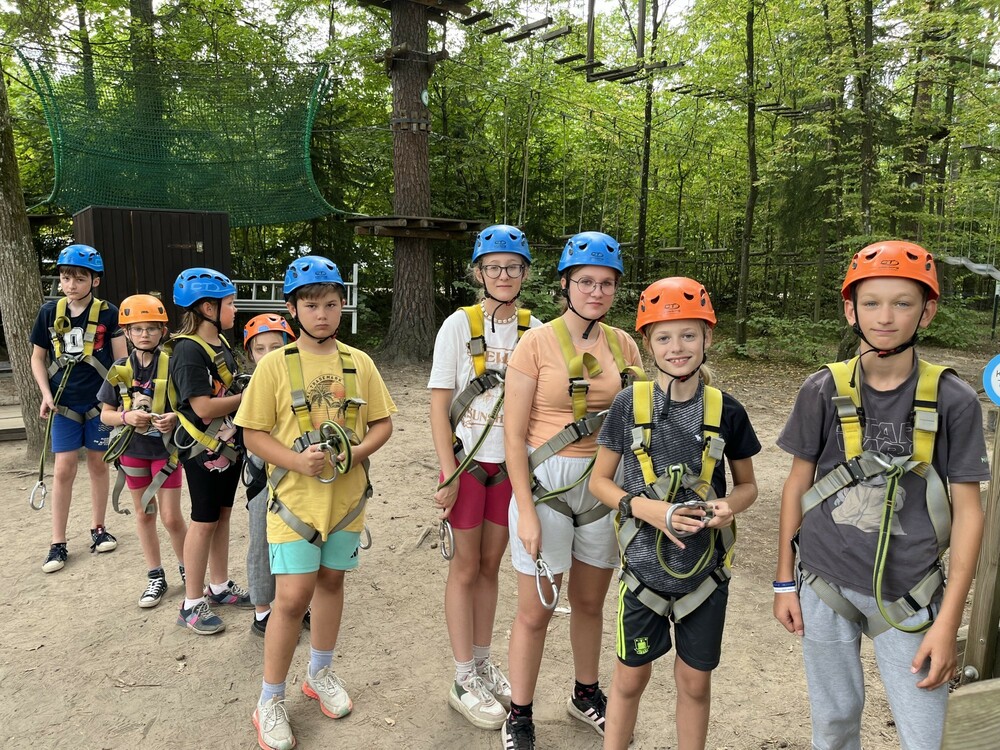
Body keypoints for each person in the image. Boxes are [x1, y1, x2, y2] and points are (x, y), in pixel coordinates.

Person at [773, 241, 987, 750]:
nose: (885, 317)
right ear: (851, 310)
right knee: (833, 723)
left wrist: (949, 621)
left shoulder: (953, 400)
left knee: (925, 733)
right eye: (871, 303)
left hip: (909, 590)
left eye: (902, 303)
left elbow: (968, 513)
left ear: (926, 313)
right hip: (825, 580)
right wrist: (784, 580)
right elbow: (798, 484)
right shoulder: (822, 390)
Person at [590, 277, 760, 750]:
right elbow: (600, 482)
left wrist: (729, 506)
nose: (677, 347)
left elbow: (748, 486)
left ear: (708, 338)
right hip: (642, 574)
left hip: (705, 576)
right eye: (663, 337)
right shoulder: (628, 405)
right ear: (647, 344)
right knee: (629, 679)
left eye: (689, 335)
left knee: (695, 683)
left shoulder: (727, 411)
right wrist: (646, 507)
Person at [235, 255, 396, 750]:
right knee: (290, 599)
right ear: (293, 309)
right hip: (294, 504)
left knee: (331, 583)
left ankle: (319, 673)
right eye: (311, 306)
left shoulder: (359, 363)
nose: (322, 314)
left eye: (330, 304)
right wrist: (296, 461)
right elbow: (252, 434)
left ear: (342, 306)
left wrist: (355, 454)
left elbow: (382, 423)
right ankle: (269, 699)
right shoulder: (274, 366)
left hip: (345, 503)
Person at [502, 231, 643, 750]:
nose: (596, 292)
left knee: (588, 602)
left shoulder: (624, 345)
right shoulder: (535, 344)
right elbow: (513, 436)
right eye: (585, 281)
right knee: (536, 609)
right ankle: (519, 713)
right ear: (565, 284)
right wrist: (525, 511)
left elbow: (637, 418)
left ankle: (585, 694)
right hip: (547, 486)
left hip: (602, 485)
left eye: (606, 283)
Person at [428, 225, 542, 730]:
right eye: (493, 267)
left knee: (492, 565)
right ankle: (462, 677)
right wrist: (448, 471)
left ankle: (481, 661)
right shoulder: (458, 326)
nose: (503, 275)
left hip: (511, 467)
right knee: (465, 567)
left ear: (525, 273)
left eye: (513, 267)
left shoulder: (536, 330)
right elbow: (438, 404)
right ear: (478, 273)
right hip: (469, 464)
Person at [30, 244, 126, 573]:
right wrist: (46, 394)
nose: (71, 285)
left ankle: (99, 529)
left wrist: (120, 400)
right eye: (66, 278)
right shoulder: (48, 313)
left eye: (80, 278)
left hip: (99, 404)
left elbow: (121, 361)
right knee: (63, 469)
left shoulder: (109, 313)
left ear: (95, 281)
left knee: (98, 464)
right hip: (64, 405)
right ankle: (57, 542)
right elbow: (38, 358)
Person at [168, 267, 251, 635]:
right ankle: (191, 603)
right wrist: (248, 397)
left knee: (222, 515)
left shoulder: (220, 345)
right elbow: (202, 406)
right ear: (207, 308)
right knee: (203, 520)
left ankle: (218, 585)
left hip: (227, 446)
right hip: (202, 450)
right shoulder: (188, 350)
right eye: (230, 303)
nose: (235, 309)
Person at [98, 294, 187, 607]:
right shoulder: (120, 368)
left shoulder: (173, 365)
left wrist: (174, 418)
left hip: (166, 452)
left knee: (172, 517)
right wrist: (126, 418)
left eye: (151, 328)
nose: (144, 334)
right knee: (145, 513)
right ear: (127, 332)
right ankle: (155, 575)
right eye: (137, 328)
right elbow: (105, 414)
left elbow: (190, 407)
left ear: (163, 331)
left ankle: (188, 568)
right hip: (132, 451)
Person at [241, 313, 306, 637]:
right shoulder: (251, 387)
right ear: (250, 354)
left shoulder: (300, 381)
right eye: (260, 349)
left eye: (275, 347)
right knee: (261, 539)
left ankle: (297, 602)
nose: (267, 355)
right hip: (262, 476)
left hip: (297, 473)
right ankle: (262, 609)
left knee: (299, 536)